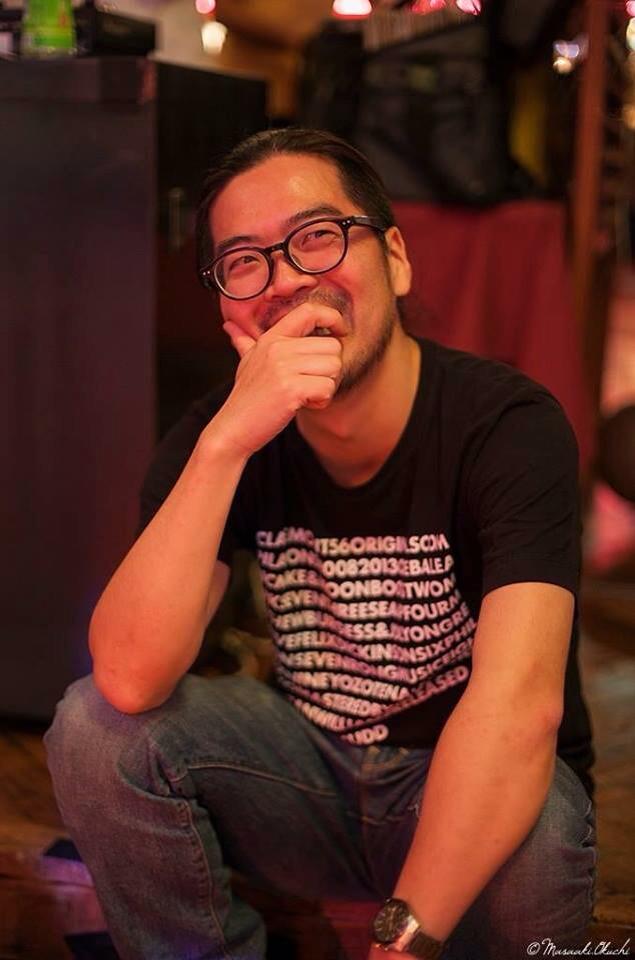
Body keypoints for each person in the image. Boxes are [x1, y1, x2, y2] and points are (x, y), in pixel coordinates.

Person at [44, 128, 596, 960]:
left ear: (395, 260)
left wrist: (401, 941)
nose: (285, 280)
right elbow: (126, 675)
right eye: (243, 261)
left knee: (541, 825)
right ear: (226, 305)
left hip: (459, 782)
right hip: (301, 781)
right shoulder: (217, 437)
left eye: (316, 236)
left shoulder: (506, 426)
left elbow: (519, 710)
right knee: (94, 730)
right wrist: (228, 442)